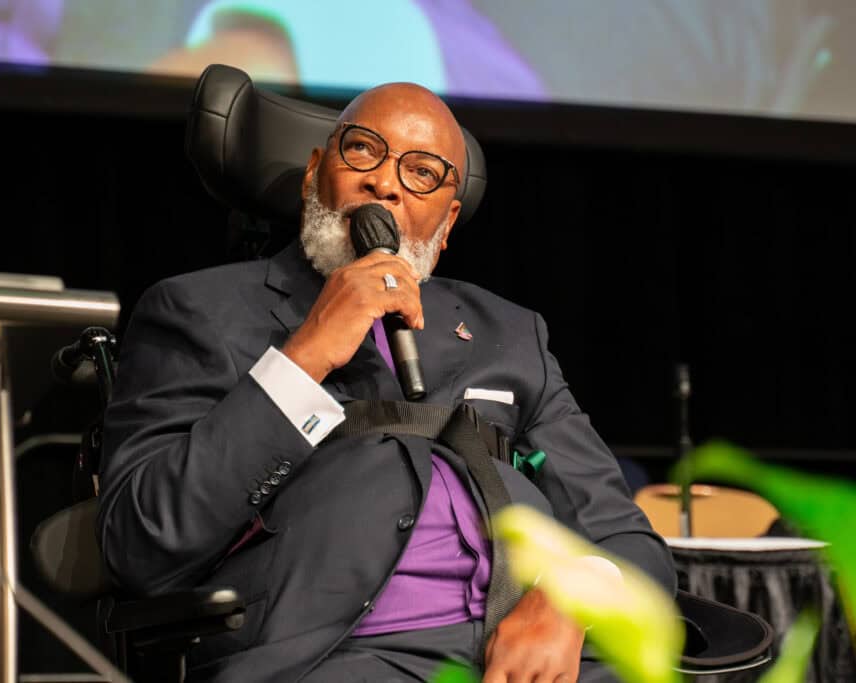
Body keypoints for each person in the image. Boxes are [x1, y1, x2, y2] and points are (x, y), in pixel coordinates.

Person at [97, 81, 676, 682]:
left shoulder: (510, 334)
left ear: (447, 223)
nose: (385, 182)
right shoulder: (201, 310)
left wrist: (572, 599)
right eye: (363, 150)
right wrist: (307, 355)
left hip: (535, 658)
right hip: (335, 658)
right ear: (314, 175)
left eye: (422, 172)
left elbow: (626, 537)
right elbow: (141, 543)